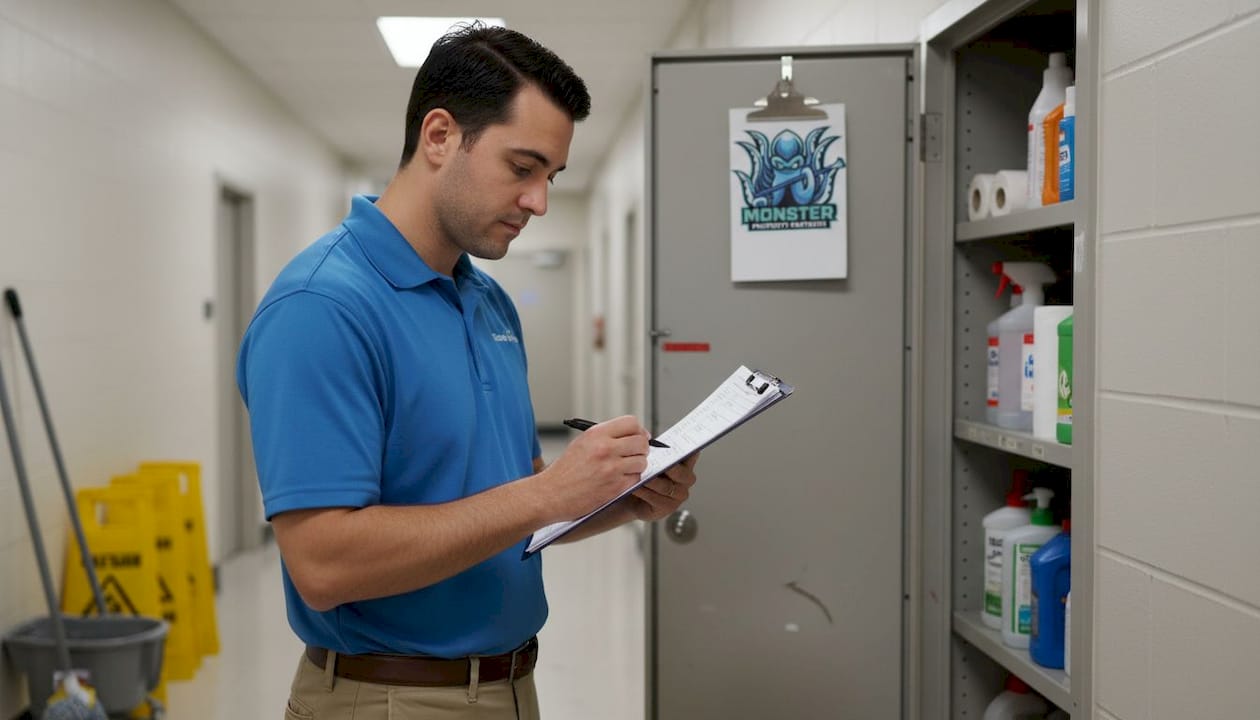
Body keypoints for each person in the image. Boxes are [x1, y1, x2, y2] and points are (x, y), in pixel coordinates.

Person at [235, 23, 699, 720]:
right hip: (391, 697)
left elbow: (508, 504)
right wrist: (547, 495)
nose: (540, 201)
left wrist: (617, 498)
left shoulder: (488, 302)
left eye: (551, 177)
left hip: (508, 686)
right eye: (523, 168)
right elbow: (324, 565)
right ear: (440, 136)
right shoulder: (322, 308)